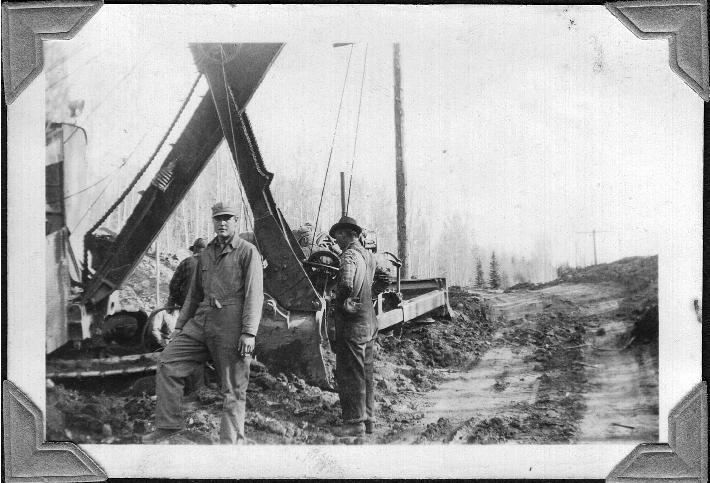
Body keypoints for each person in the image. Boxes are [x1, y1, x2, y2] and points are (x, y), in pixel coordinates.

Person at [142, 202, 264, 444]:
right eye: (218, 218)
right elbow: (193, 296)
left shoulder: (247, 252)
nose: (222, 223)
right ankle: (168, 426)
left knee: (233, 388)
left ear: (236, 221)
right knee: (168, 362)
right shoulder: (206, 254)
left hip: (231, 325)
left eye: (227, 218)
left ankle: (231, 444)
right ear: (213, 221)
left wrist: (249, 333)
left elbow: (254, 295)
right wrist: (179, 328)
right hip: (201, 321)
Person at [328, 215, 378, 437]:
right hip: (369, 322)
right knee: (366, 372)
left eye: (337, 235)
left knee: (350, 373)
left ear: (346, 234)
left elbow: (346, 284)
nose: (336, 241)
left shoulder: (348, 255)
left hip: (353, 325)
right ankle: (369, 420)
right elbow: (383, 278)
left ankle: (354, 423)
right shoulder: (368, 255)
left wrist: (337, 299)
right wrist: (367, 298)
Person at [167, 237, 207, 309]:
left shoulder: (187, 262)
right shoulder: (213, 264)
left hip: (186, 304)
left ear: (194, 249)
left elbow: (174, 285)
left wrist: (174, 299)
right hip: (205, 306)